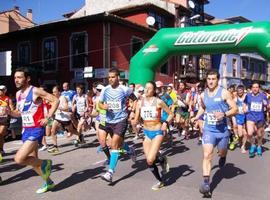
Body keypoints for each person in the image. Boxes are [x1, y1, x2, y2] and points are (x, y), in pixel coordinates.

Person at [9, 67, 59, 193]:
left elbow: (55, 100)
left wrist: (48, 117)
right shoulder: (18, 94)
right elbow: (19, 113)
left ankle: (46, 162)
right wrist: (9, 112)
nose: (16, 80)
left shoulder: (35, 91)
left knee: (19, 159)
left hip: (36, 129)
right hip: (26, 130)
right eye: (15, 77)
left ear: (28, 78)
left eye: (19, 77)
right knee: (33, 162)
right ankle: (49, 183)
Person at [191, 69, 237, 196]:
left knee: (222, 152)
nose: (211, 81)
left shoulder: (224, 93)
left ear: (218, 80)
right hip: (209, 130)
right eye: (209, 79)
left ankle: (223, 156)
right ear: (206, 80)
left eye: (213, 79)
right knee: (207, 155)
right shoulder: (203, 94)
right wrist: (196, 116)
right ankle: (206, 183)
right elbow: (203, 107)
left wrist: (224, 114)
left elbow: (235, 109)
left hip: (222, 131)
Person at [134, 81, 173, 190]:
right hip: (146, 133)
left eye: (149, 88)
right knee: (149, 161)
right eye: (145, 88)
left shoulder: (159, 102)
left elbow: (171, 114)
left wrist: (165, 123)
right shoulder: (139, 103)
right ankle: (160, 178)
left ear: (154, 90)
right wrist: (135, 122)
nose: (146, 90)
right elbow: (136, 119)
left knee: (151, 159)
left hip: (157, 132)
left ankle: (161, 160)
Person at [99, 68, 136, 183]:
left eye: (113, 77)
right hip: (108, 120)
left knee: (114, 144)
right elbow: (99, 103)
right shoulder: (105, 90)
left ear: (118, 77)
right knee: (110, 142)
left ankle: (110, 172)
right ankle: (130, 150)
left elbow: (135, 100)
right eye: (109, 77)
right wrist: (103, 107)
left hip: (121, 120)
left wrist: (133, 111)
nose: (110, 79)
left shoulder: (125, 89)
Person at [244, 82, 269, 157]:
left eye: (257, 87)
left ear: (259, 88)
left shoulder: (263, 96)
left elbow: (268, 106)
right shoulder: (248, 96)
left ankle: (258, 146)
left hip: (260, 117)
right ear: (251, 88)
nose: (255, 89)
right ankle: (253, 145)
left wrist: (266, 105)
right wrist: (244, 108)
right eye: (253, 87)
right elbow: (245, 103)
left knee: (259, 135)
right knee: (250, 133)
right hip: (250, 116)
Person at [0, 85, 14, 162]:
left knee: (1, 134)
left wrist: (10, 111)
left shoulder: (7, 99)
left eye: (1, 90)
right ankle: (1, 149)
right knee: (0, 136)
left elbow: (12, 108)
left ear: (4, 91)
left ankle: (1, 149)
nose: (0, 91)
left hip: (4, 119)